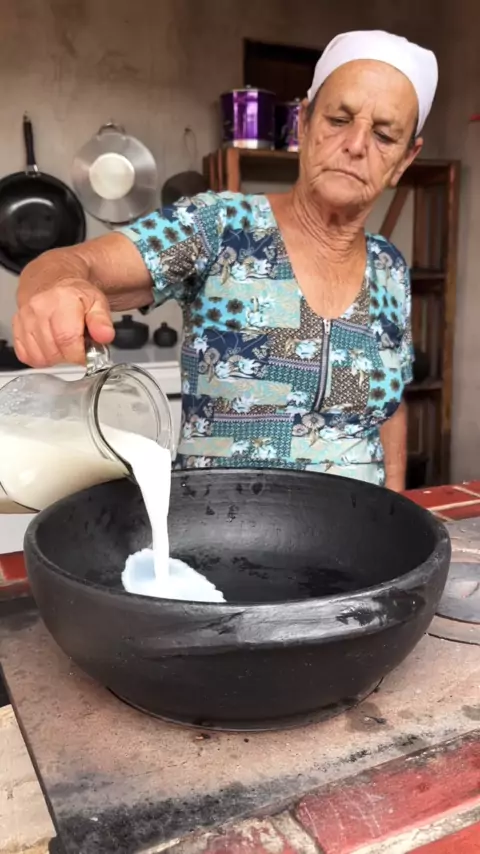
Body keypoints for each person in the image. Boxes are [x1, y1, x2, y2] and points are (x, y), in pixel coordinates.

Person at [13, 30, 438, 491]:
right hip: (222, 525)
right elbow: (71, 264)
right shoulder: (219, 228)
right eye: (338, 119)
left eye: (383, 135)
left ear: (404, 160)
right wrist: (60, 287)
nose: (356, 144)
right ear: (304, 124)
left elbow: (390, 410)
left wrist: (397, 508)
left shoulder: (389, 268)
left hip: (358, 530)